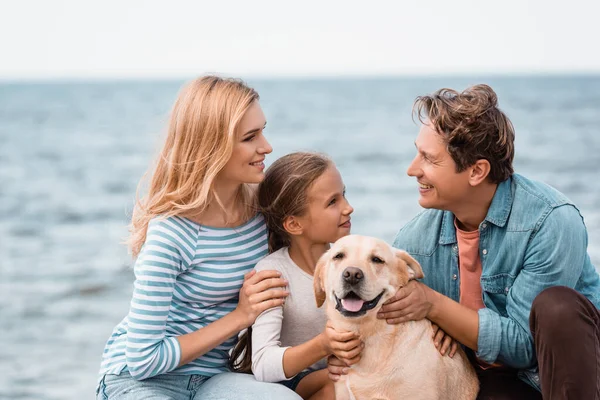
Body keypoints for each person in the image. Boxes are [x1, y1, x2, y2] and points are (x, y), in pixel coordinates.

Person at [328, 84, 600, 399]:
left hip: (571, 374)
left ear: (476, 172)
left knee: (557, 306)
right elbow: (390, 320)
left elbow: (526, 348)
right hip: (495, 379)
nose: (412, 169)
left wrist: (435, 306)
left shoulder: (550, 221)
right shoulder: (414, 241)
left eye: (428, 159)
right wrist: (338, 352)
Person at [96, 76, 303, 400]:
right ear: (212, 147)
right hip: (143, 382)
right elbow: (143, 360)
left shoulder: (263, 209)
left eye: (263, 130)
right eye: (250, 137)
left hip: (216, 379)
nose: (267, 146)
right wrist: (240, 316)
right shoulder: (171, 233)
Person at [229, 152, 362, 400]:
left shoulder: (351, 266)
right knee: (341, 383)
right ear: (294, 225)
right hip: (288, 383)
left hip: (335, 373)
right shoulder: (273, 274)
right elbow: (263, 365)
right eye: (333, 202)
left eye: (344, 195)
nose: (348, 207)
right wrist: (323, 345)